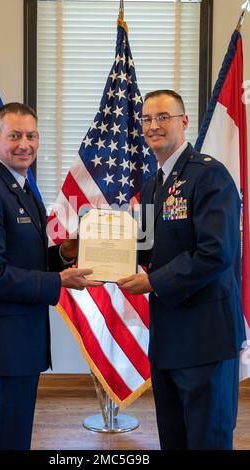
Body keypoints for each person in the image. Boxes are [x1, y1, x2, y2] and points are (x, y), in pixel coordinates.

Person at [0, 102, 101, 450]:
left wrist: (63, 254)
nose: (25, 144)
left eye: (31, 135)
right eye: (15, 135)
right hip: (0, 348)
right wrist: (59, 282)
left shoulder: (21, 188)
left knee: (15, 438)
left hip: (20, 344)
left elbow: (25, 260)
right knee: (2, 441)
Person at [117, 90, 246, 450]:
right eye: (146, 119)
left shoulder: (210, 176)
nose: (153, 126)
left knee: (206, 440)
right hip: (168, 338)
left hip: (205, 337)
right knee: (174, 439)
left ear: (184, 122)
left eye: (163, 117)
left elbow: (216, 252)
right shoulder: (151, 186)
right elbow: (146, 253)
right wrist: (109, 242)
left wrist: (153, 282)